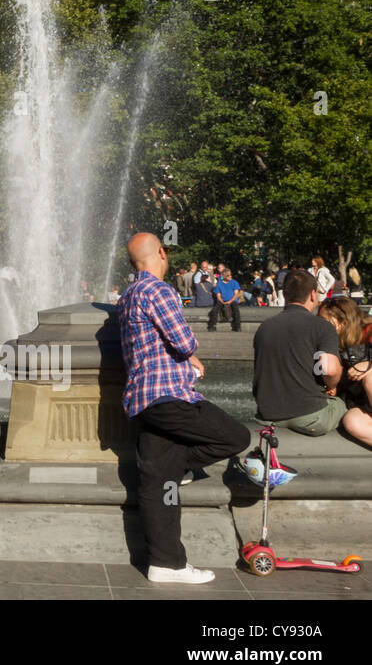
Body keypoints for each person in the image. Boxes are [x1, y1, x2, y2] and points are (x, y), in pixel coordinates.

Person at [117, 232, 249, 584]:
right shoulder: (159, 290)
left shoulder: (128, 295)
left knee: (159, 483)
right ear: (161, 252)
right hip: (169, 397)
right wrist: (191, 352)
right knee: (235, 436)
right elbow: (184, 340)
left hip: (142, 400)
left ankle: (166, 563)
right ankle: (185, 467)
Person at [253, 269, 344, 437]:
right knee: (341, 404)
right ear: (312, 294)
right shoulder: (321, 327)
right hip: (309, 416)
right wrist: (332, 386)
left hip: (267, 414)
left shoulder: (264, 327)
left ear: (286, 295)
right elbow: (329, 369)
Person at [316, 296, 372, 448]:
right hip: (360, 403)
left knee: (370, 378)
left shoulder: (368, 331)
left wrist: (369, 365)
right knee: (352, 422)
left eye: (324, 321)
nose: (318, 325)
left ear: (343, 323)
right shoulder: (323, 343)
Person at [207, 269, 242, 333]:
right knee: (214, 310)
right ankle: (212, 325)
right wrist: (222, 301)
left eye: (231, 275)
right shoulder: (219, 284)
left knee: (236, 310)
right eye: (228, 275)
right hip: (222, 300)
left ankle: (237, 326)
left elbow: (236, 294)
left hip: (232, 300)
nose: (230, 276)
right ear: (224, 276)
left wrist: (230, 301)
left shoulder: (234, 282)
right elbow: (218, 295)